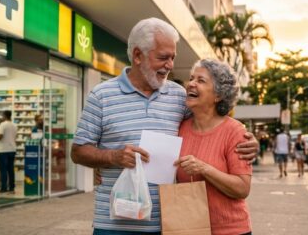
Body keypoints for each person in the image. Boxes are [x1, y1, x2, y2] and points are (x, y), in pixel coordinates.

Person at [71, 17, 259, 234]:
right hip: (114, 223)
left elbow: (212, 121)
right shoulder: (102, 95)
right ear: (138, 55)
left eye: (173, 57)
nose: (170, 65)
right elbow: (78, 152)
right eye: (163, 57)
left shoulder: (179, 96)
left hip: (167, 224)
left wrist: (249, 138)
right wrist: (111, 157)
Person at [174, 59, 252, 235]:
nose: (191, 84)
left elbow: (242, 188)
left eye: (200, 80)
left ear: (218, 95)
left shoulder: (235, 132)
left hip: (230, 230)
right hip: (189, 228)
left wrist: (204, 168)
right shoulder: (180, 127)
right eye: (191, 78)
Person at [0, 110, 17, 194]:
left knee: (3, 170)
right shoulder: (14, 125)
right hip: (12, 149)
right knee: (11, 169)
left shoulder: (3, 124)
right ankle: (11, 188)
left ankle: (3, 188)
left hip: (3, 149)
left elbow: (0, 136)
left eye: (2, 115)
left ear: (4, 115)